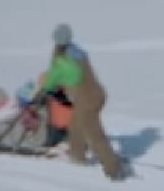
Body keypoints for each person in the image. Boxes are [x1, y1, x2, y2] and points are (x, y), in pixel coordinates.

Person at [33, 22, 127, 180]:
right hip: (98, 94)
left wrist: (45, 87)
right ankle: (77, 157)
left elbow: (53, 79)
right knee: (75, 125)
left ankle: (113, 169)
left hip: (87, 98)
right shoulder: (77, 51)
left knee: (94, 133)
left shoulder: (63, 60)